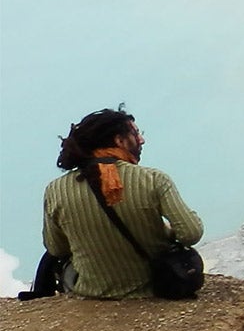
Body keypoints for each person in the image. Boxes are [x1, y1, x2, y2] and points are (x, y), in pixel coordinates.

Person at [38, 108, 203, 299]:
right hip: (155, 286)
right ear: (119, 141)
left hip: (91, 292)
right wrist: (165, 231)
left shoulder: (55, 190)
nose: (141, 140)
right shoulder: (154, 180)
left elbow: (56, 249)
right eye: (136, 134)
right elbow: (191, 233)